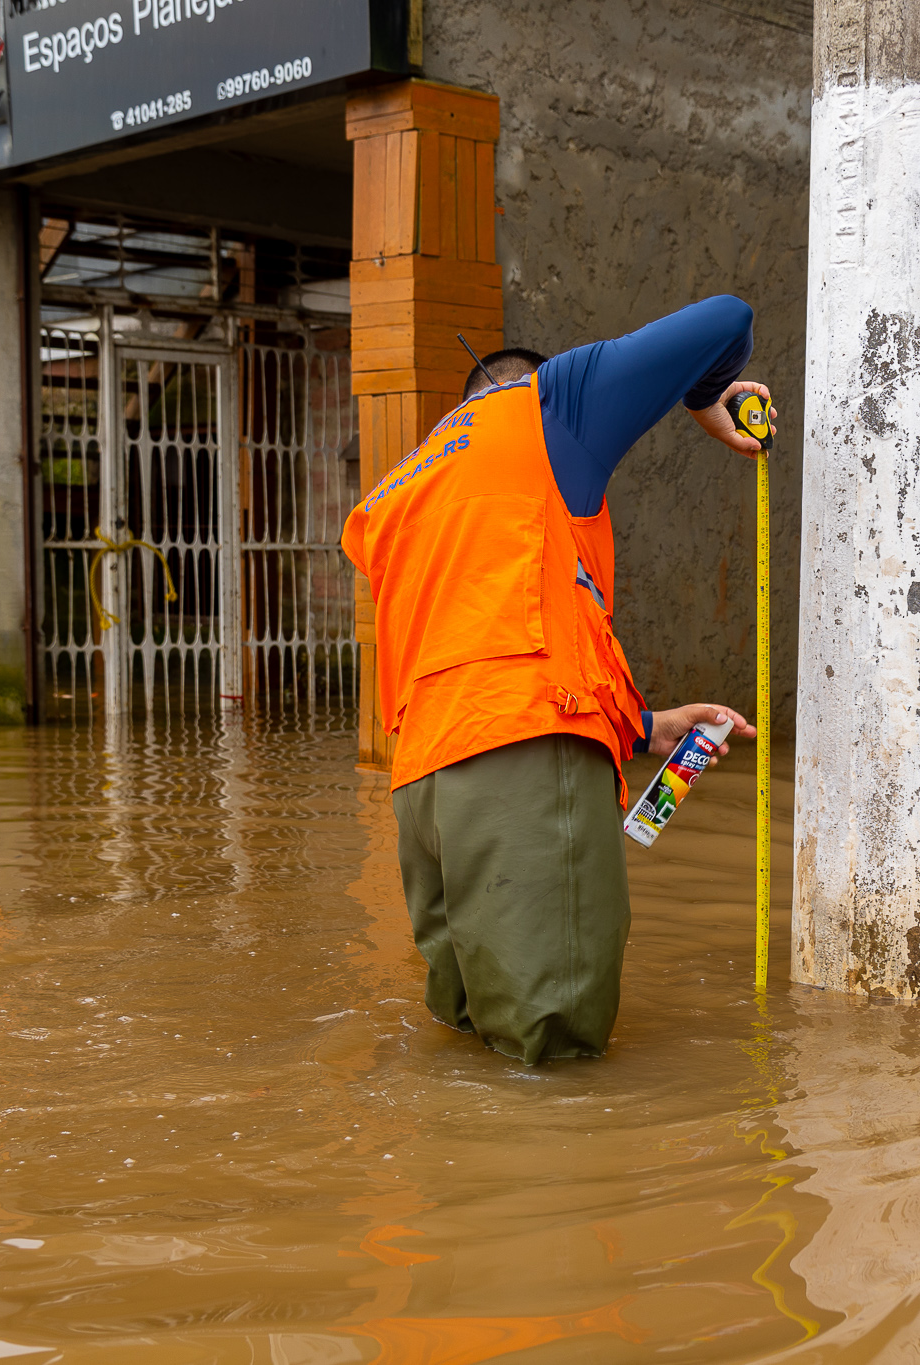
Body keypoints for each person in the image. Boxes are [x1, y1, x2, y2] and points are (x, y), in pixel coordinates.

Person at [342, 296, 773, 1063]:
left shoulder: (401, 492)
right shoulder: (549, 406)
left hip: (424, 796)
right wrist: (707, 400)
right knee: (556, 1068)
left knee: (469, 1049)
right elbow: (725, 321)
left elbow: (490, 642)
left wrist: (642, 726)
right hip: (521, 774)